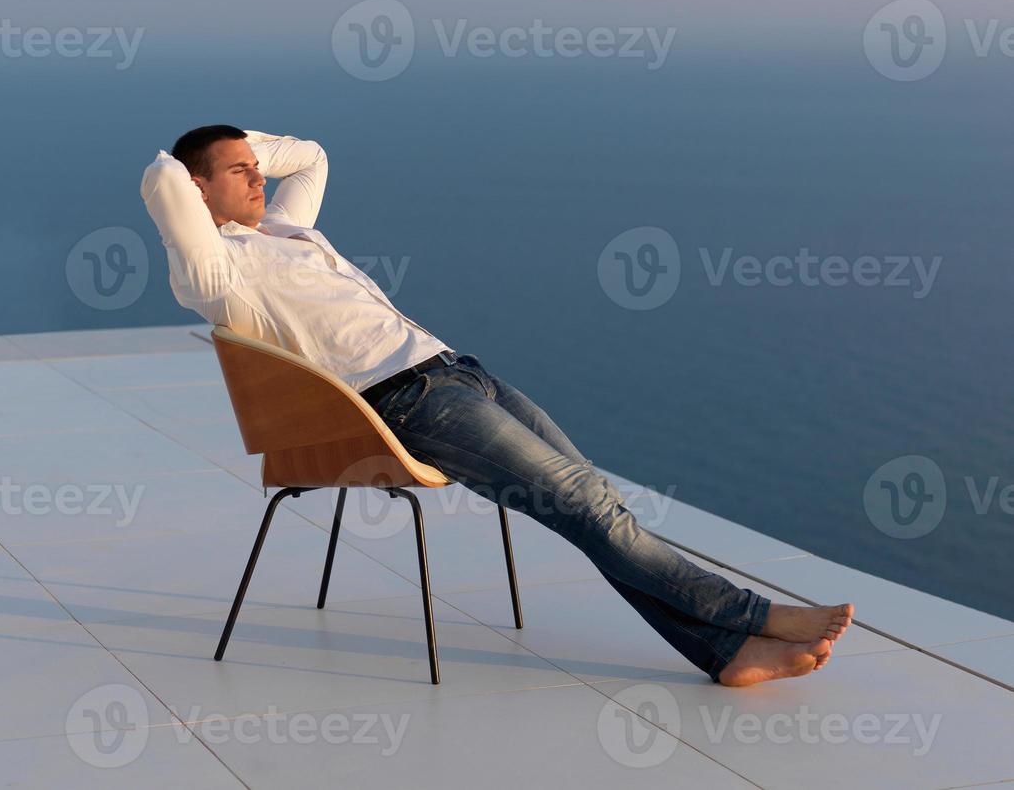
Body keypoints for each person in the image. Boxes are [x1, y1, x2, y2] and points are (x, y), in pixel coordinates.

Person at [140, 124, 853, 686]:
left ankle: (724, 654)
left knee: (597, 507)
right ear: (197, 191)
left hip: (458, 373)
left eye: (254, 164)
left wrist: (239, 149)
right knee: (592, 510)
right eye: (238, 171)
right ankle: (755, 616)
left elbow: (311, 157)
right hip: (407, 405)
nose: (259, 174)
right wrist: (196, 157)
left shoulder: (285, 229)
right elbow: (162, 177)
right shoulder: (214, 274)